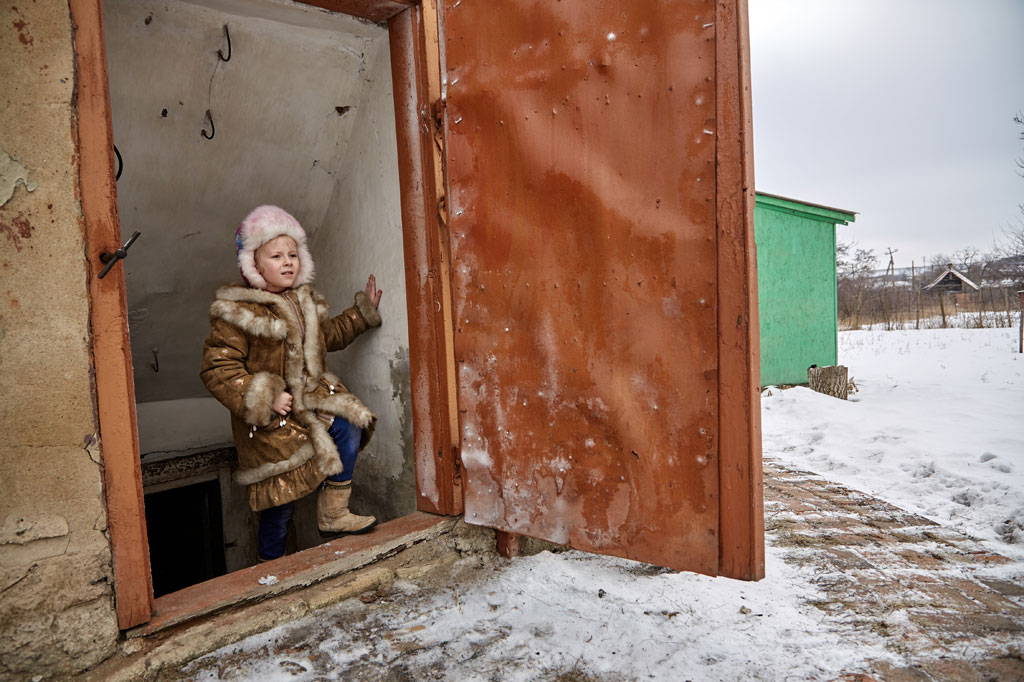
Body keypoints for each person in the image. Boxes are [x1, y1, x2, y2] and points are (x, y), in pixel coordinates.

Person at [200, 205, 383, 562]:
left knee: (349, 423)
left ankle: (333, 512)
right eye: (276, 255)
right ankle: (270, 565)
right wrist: (263, 395)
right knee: (280, 499)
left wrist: (361, 314)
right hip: (272, 419)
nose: (288, 262)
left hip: (310, 400)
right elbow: (217, 369)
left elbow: (328, 335)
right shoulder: (238, 312)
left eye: (293, 254)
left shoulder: (305, 301)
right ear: (254, 263)